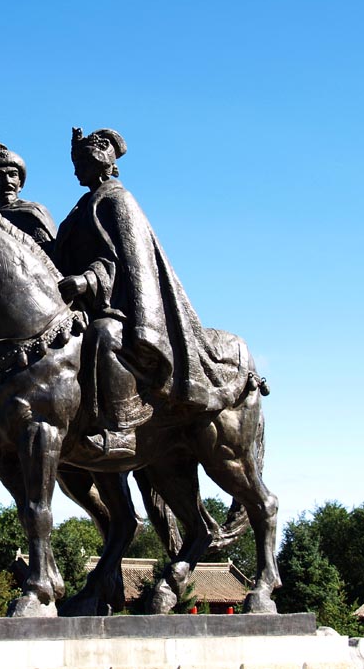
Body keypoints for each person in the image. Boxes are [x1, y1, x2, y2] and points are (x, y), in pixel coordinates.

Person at [54, 127, 243, 458]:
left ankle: (120, 429)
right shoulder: (81, 207)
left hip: (118, 303)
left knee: (104, 335)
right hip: (81, 303)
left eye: (81, 162)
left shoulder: (117, 201)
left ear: (101, 161)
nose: (75, 171)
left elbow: (130, 260)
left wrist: (87, 281)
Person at [0, 134, 57, 249]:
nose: (7, 181)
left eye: (13, 175)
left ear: (20, 183)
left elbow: (54, 256)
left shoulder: (32, 213)